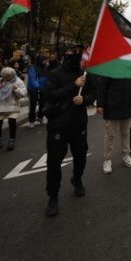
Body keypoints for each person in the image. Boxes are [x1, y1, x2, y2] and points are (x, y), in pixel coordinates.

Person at [43, 45, 96, 217]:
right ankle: (53, 196)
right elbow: (51, 96)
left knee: (81, 156)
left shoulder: (85, 73)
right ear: (64, 54)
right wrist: (73, 86)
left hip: (78, 124)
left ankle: (77, 178)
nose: (74, 55)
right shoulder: (54, 74)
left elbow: (92, 94)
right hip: (58, 124)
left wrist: (85, 99)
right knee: (54, 162)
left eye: (77, 53)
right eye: (71, 52)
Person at [97, 75, 131, 174]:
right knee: (110, 135)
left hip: (127, 105)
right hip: (111, 106)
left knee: (126, 133)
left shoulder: (130, 66)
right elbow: (101, 86)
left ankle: (126, 155)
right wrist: (100, 104)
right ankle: (107, 159)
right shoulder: (109, 66)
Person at [0, 67, 27, 151]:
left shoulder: (18, 81)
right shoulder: (0, 81)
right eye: (5, 76)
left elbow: (23, 93)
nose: (6, 78)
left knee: (12, 122)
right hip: (0, 105)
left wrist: (16, 89)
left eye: (8, 76)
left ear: (12, 75)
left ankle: (12, 140)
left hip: (12, 105)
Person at [26, 55, 49, 128]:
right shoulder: (32, 68)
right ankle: (31, 121)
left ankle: (40, 117)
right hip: (33, 89)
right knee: (32, 105)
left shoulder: (45, 68)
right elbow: (32, 79)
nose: (46, 62)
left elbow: (47, 78)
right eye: (45, 60)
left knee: (43, 104)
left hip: (43, 89)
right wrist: (37, 87)